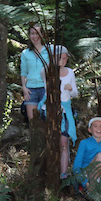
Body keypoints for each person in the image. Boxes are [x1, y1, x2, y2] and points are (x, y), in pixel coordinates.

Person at [38, 46, 79, 176]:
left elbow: (75, 93)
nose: (63, 60)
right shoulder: (47, 71)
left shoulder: (70, 72)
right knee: (51, 140)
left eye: (65, 58)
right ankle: (49, 171)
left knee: (63, 142)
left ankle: (63, 173)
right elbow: (45, 77)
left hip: (65, 111)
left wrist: (70, 89)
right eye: (59, 58)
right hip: (50, 110)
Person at [20, 24, 51, 123]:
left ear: (42, 35)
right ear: (29, 36)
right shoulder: (25, 53)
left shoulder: (49, 50)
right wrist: (24, 87)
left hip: (45, 88)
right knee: (33, 121)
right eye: (32, 34)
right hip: (30, 90)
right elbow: (23, 72)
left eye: (37, 33)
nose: (35, 36)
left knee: (46, 119)